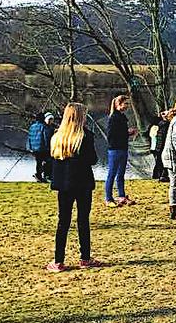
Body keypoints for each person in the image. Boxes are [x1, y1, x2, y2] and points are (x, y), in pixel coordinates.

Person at [47, 102, 103, 272]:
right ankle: (85, 258)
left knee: (63, 222)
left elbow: (53, 162)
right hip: (82, 183)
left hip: (64, 185)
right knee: (83, 221)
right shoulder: (85, 136)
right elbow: (93, 160)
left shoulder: (57, 137)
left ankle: (58, 260)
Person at [105, 95, 137, 207]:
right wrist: (126, 133)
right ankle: (108, 198)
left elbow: (120, 133)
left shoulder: (122, 117)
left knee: (121, 175)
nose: (128, 106)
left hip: (123, 148)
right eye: (126, 103)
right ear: (119, 104)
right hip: (115, 150)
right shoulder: (113, 118)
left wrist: (128, 133)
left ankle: (122, 196)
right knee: (112, 174)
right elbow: (111, 135)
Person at [27, 111, 55, 183]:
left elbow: (29, 137)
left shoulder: (32, 126)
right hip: (42, 148)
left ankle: (39, 175)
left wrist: (29, 147)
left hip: (34, 148)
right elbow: (46, 137)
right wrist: (49, 147)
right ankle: (46, 176)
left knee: (38, 162)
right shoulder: (44, 126)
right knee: (48, 161)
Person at [148, 111, 169, 182]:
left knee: (158, 162)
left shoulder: (156, 127)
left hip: (155, 148)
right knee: (160, 162)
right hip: (159, 147)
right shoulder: (160, 126)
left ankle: (158, 175)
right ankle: (160, 176)